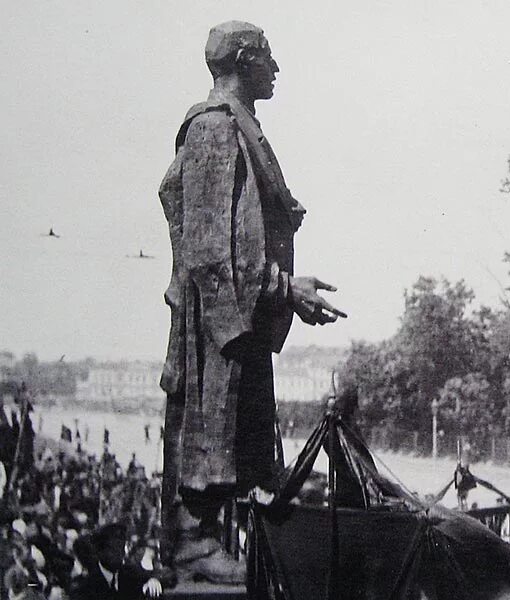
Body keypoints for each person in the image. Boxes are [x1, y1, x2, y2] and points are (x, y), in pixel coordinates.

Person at [158, 21, 346, 583]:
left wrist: (280, 287)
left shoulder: (237, 129)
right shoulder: (215, 129)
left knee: (244, 443)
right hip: (223, 326)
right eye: (268, 58)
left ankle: (207, 538)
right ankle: (193, 541)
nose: (276, 69)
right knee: (214, 435)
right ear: (244, 59)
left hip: (241, 316)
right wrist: (286, 289)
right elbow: (211, 250)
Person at [69, 523, 162, 600]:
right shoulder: (85, 587)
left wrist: (153, 580)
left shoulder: (130, 573)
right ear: (100, 552)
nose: (121, 554)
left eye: (122, 548)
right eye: (114, 550)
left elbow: (158, 574)